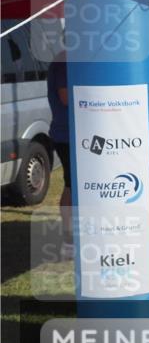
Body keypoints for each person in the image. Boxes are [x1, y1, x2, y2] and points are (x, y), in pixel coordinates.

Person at [46, 52, 74, 261]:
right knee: (71, 186)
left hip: (77, 134)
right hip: (67, 135)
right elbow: (66, 97)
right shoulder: (64, 62)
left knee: (75, 185)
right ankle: (69, 240)